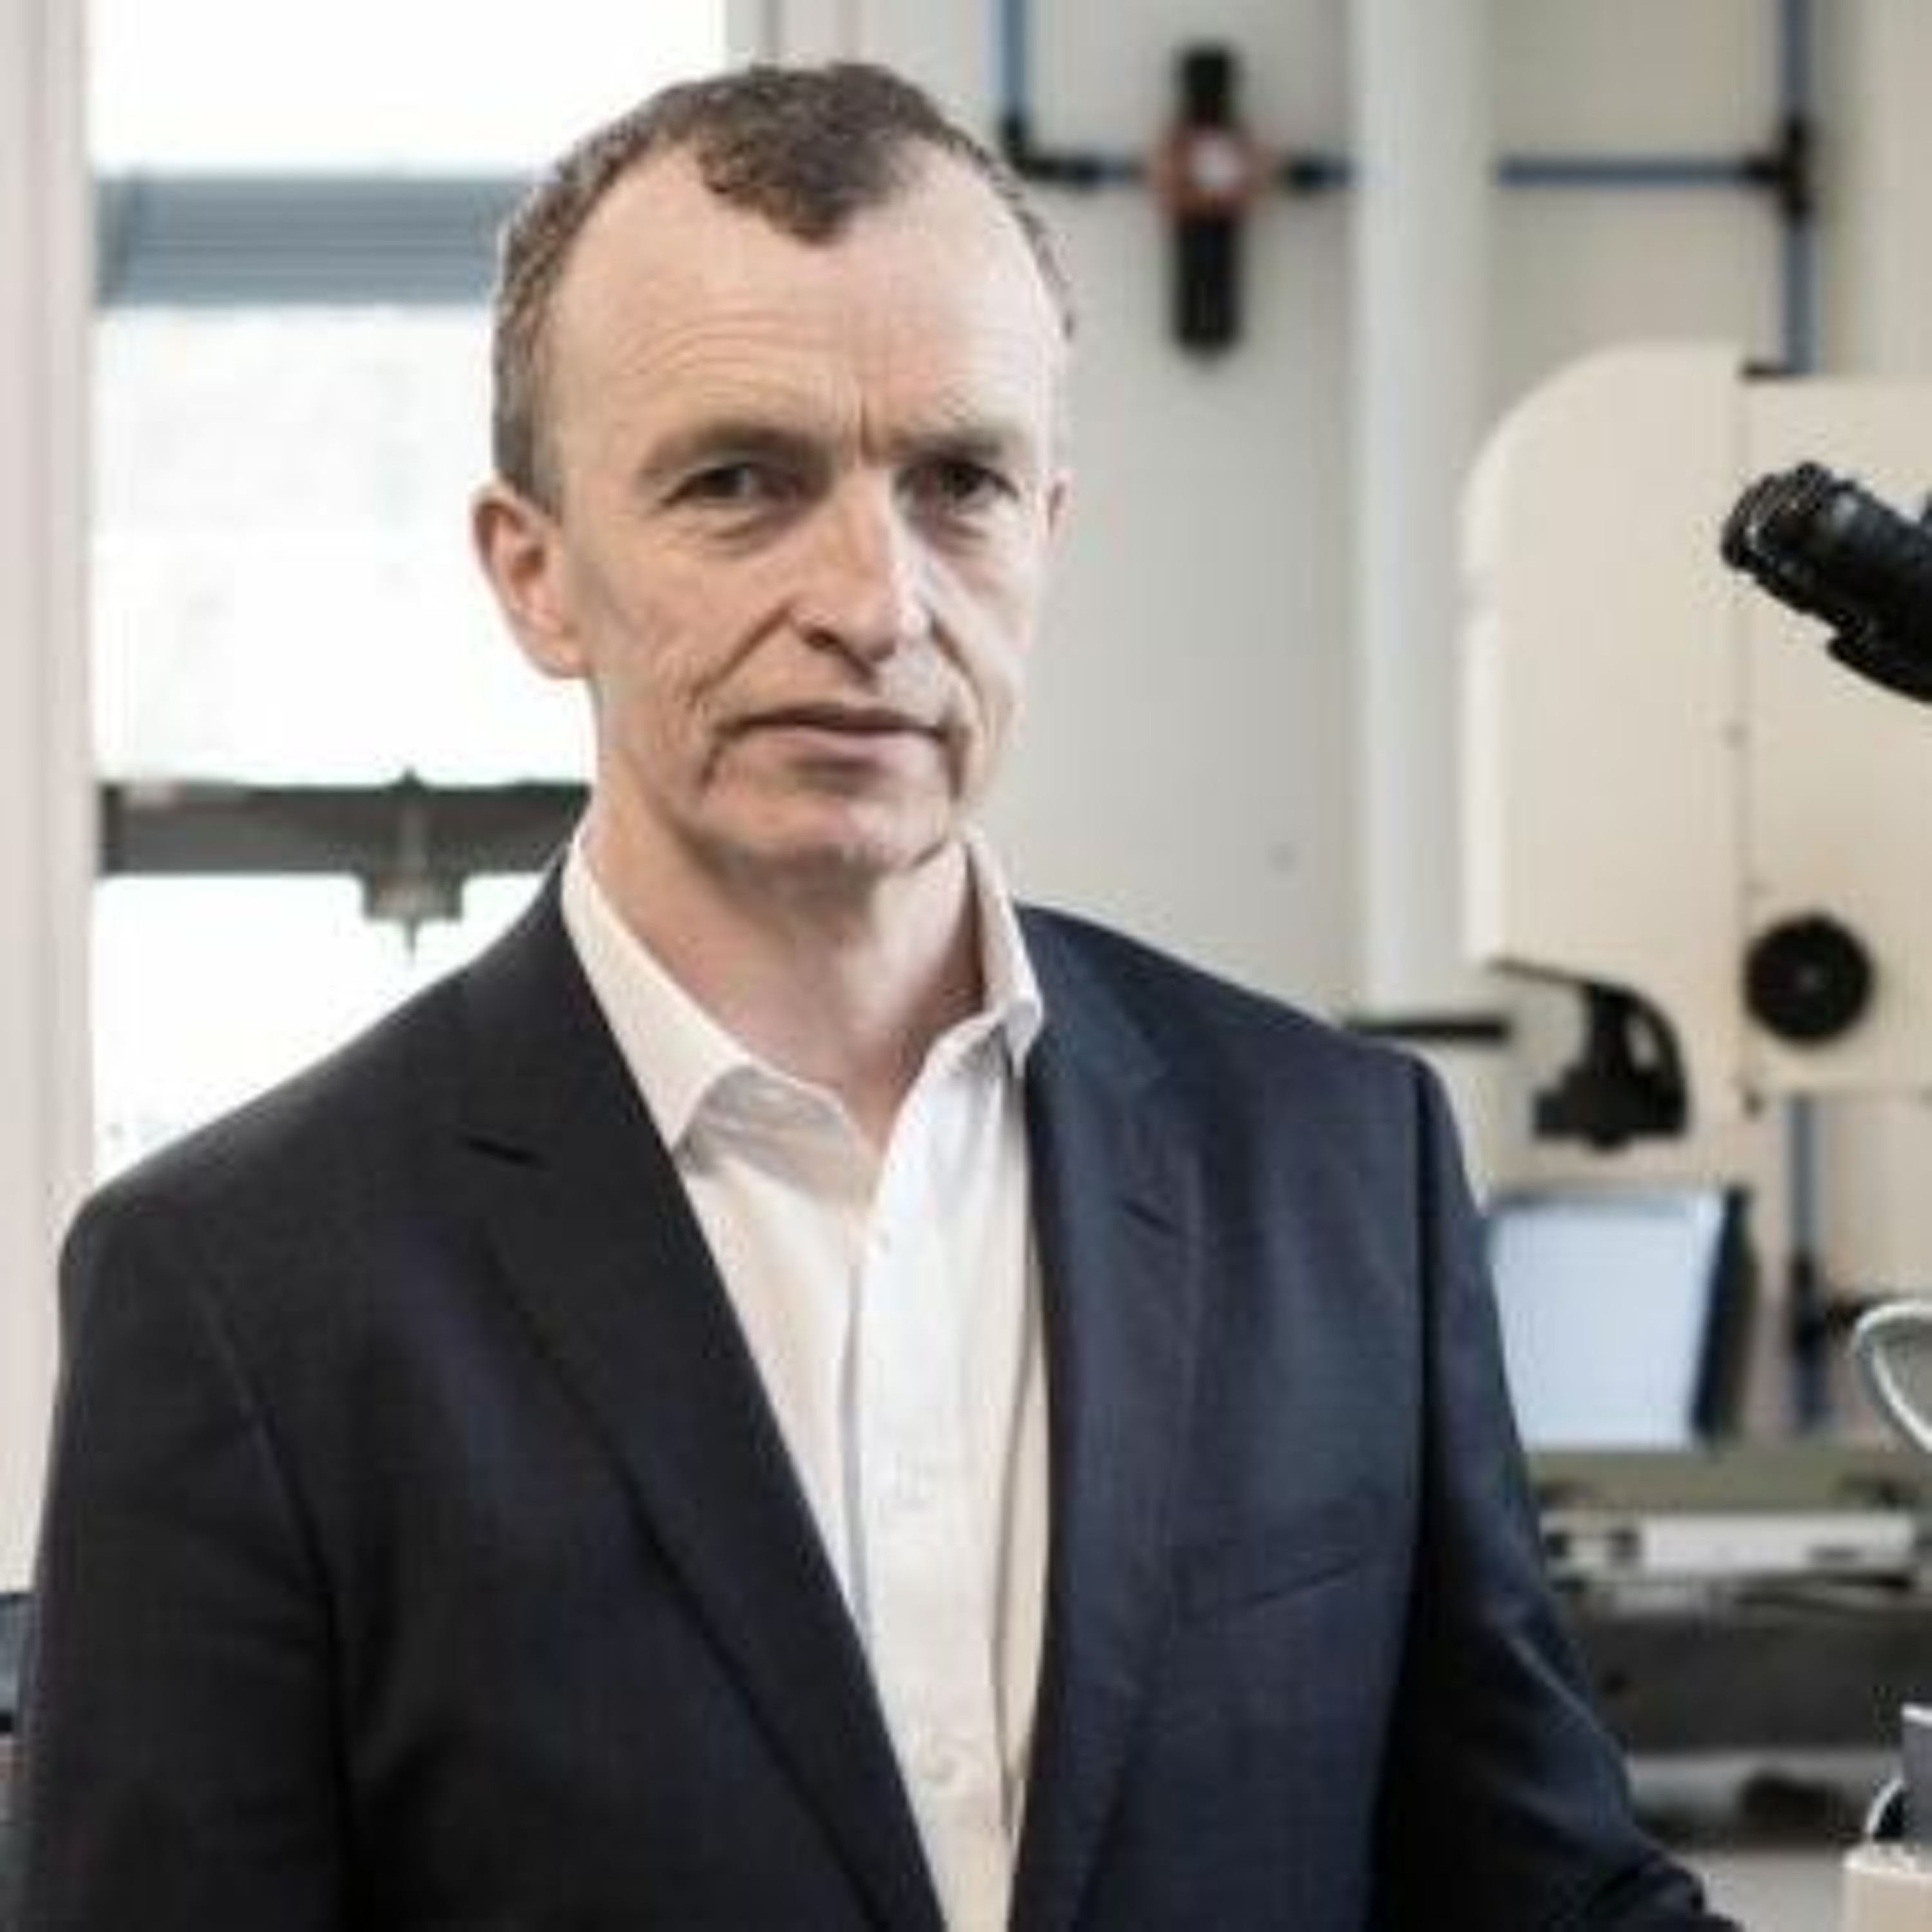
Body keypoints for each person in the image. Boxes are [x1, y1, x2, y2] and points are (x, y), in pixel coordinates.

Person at [6, 61, 1732, 1931]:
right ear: (536, 574)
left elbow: (1544, 1894)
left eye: (958, 484)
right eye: (739, 484)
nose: (876, 601)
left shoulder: (1333, 1166)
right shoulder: (244, 1289)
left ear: (1046, 533)